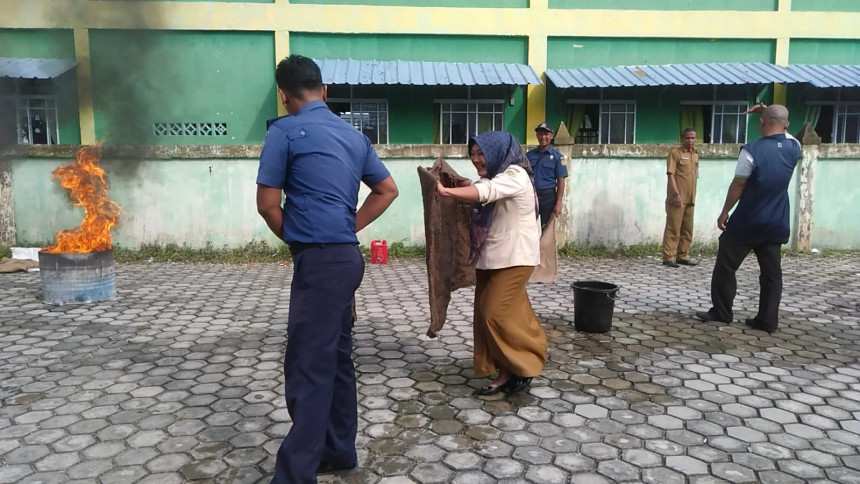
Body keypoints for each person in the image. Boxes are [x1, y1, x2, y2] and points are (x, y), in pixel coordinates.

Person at [256, 55, 399, 483]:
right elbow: (387, 189)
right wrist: (345, 227)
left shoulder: (283, 131)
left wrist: (301, 238)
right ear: (324, 91)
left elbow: (267, 205)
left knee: (308, 365)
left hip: (319, 261)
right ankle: (339, 450)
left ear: (283, 95)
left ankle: (296, 473)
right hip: (346, 260)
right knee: (335, 358)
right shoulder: (353, 136)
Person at [436, 131, 547, 396]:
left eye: (481, 153)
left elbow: (488, 192)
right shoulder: (497, 176)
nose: (476, 159)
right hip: (493, 258)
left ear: (498, 151)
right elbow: (485, 188)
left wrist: (447, 191)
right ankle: (506, 370)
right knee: (507, 313)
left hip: (514, 258)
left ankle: (525, 363)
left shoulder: (515, 175)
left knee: (493, 312)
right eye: (472, 154)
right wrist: (463, 185)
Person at [696, 104, 801, 334]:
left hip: (748, 221)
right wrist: (770, 113)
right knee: (772, 273)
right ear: (786, 124)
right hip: (776, 222)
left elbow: (739, 184)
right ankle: (767, 320)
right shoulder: (794, 147)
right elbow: (787, 132)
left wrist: (725, 211)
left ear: (761, 122)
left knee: (726, 264)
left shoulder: (751, 151)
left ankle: (722, 312)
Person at [662, 127, 700, 268]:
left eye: (693, 138)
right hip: (677, 198)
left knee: (687, 229)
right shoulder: (675, 154)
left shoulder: (695, 154)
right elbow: (670, 174)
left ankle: (683, 255)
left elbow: (695, 174)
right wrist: (675, 194)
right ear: (682, 139)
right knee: (673, 228)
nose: (690, 140)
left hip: (690, 197)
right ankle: (668, 257)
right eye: (688, 138)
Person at [526, 123, 568, 228]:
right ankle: (532, 245)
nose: (543, 137)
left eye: (546, 134)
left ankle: (545, 245)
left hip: (548, 197)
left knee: (547, 228)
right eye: (540, 134)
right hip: (531, 195)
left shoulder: (558, 157)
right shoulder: (528, 156)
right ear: (536, 136)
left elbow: (561, 182)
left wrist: (559, 203)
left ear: (552, 136)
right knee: (527, 227)